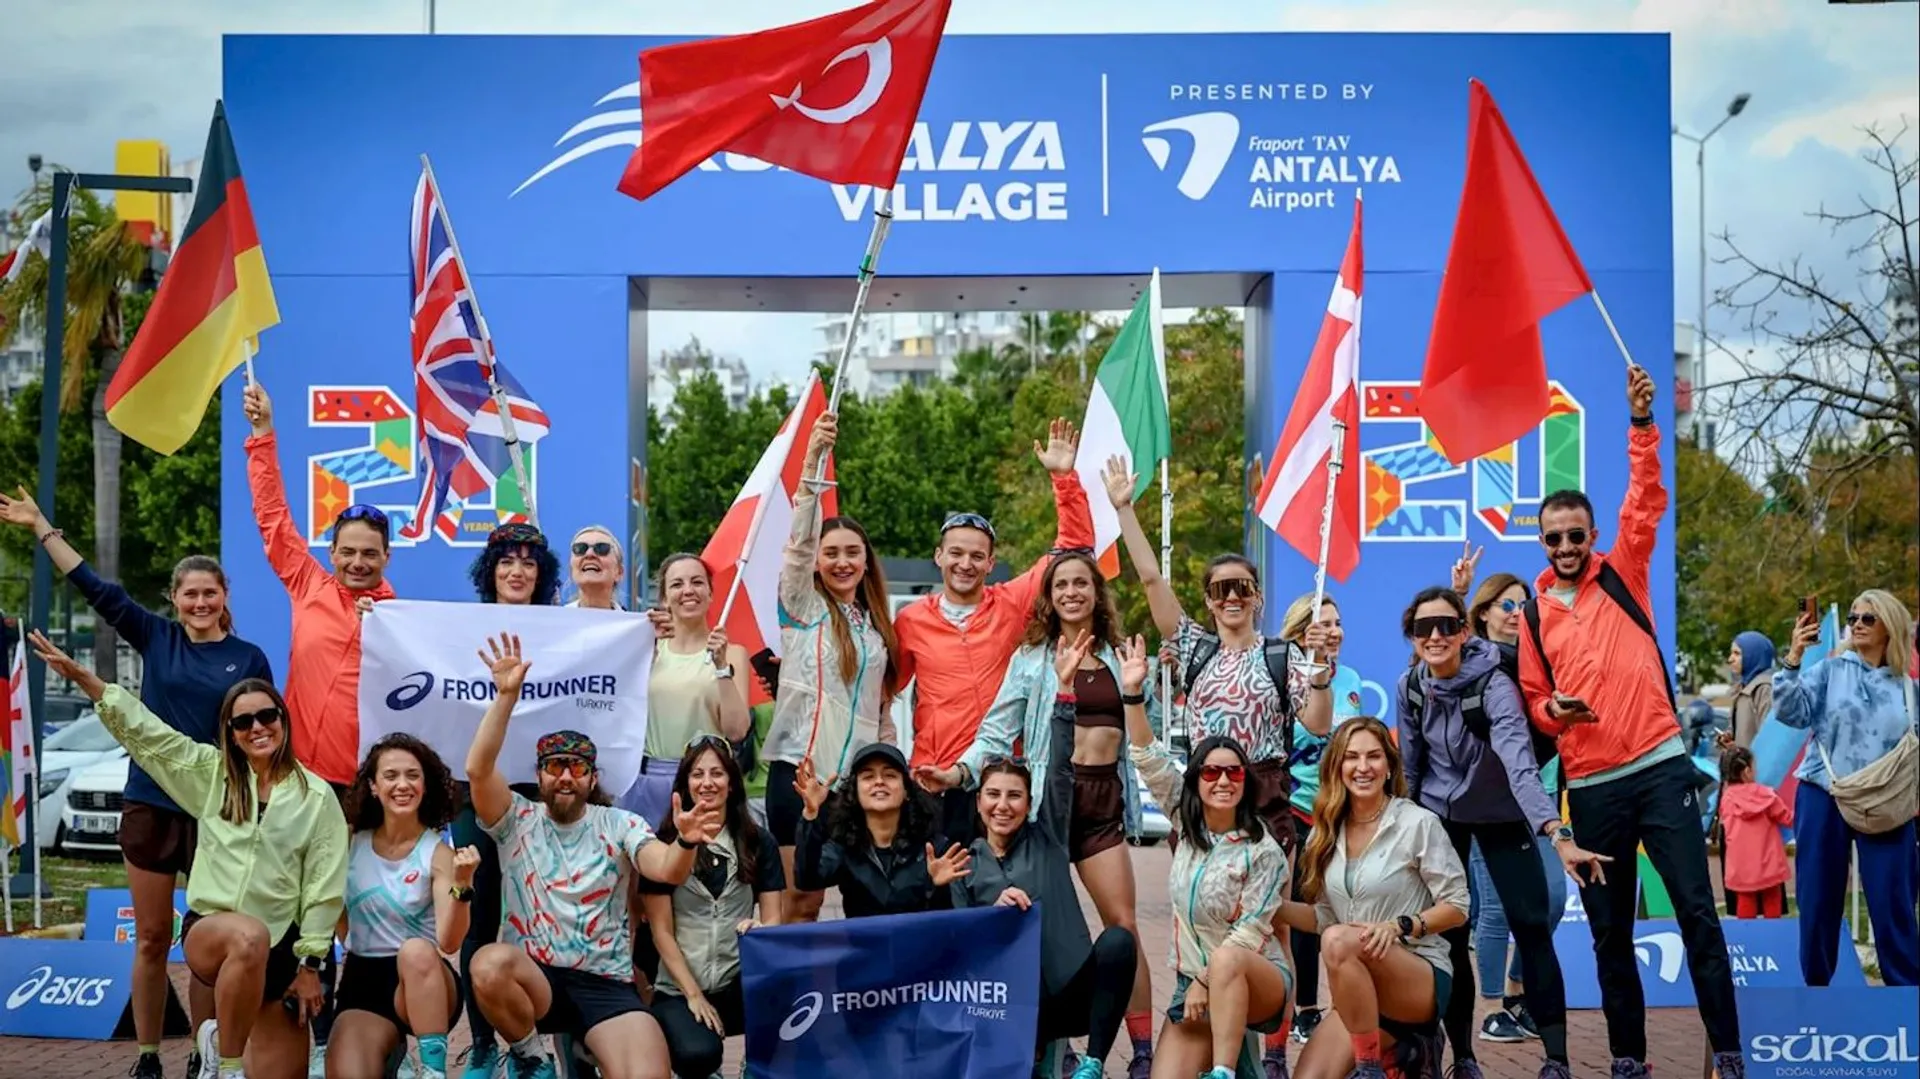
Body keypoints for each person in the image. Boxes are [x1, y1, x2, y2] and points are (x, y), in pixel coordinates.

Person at [1515, 363, 1744, 1079]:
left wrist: (1643, 422)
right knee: (1610, 935)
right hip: (1591, 788)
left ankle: (1730, 1055)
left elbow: (1645, 498)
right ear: (1542, 542)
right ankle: (1627, 1060)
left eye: (1575, 533)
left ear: (1590, 533)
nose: (1565, 547)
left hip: (1658, 767)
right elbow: (1532, 701)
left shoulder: (1625, 571)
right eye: (1553, 538)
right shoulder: (1532, 612)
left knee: (1697, 918)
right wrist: (1554, 710)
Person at [0, 488, 269, 1079]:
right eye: (189, 594)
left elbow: (263, 734)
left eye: (210, 592)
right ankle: (148, 1057)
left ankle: (204, 1056)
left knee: (206, 947)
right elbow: (97, 589)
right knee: (151, 939)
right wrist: (42, 526)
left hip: (217, 815)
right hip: (149, 804)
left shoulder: (248, 656)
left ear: (225, 598)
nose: (200, 601)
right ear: (174, 601)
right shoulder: (157, 637)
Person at [30, 631, 347, 1079]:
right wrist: (86, 679)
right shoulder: (209, 774)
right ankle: (228, 1066)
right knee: (247, 936)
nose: (257, 727)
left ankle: (224, 1040)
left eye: (267, 715)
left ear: (283, 719)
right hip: (212, 933)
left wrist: (310, 964)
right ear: (231, 734)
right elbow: (146, 732)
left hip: (280, 946)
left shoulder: (316, 796)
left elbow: (324, 886)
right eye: (243, 722)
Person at [1103, 456, 1331, 1077]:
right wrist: (1125, 508)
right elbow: (1152, 584)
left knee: (1273, 920)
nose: (1231, 596)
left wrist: (1323, 676)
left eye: (1243, 588)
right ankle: (1198, 996)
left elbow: (1315, 723)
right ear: (1207, 600)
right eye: (1219, 589)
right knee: (1196, 906)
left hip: (1264, 794)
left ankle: (1276, 1052)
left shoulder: (1283, 655)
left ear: (1258, 598)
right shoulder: (1195, 649)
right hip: (1202, 794)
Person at [462, 632, 722, 1079]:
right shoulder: (516, 819)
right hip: (535, 978)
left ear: (592, 777)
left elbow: (664, 868)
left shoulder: (617, 823)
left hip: (606, 983)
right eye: (555, 766)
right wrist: (506, 697)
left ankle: (587, 1050)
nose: (566, 777)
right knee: (487, 963)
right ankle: (530, 1057)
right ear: (539, 775)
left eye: (578, 768)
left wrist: (685, 842)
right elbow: (477, 769)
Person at [930, 551, 1156, 1061]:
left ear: (1097, 592)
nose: (1072, 592)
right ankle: (1045, 1037)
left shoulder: (1122, 658)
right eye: (1061, 586)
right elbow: (996, 727)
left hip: (1101, 808)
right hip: (1045, 812)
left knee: (1123, 926)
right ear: (1049, 598)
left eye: (1081, 583)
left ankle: (1142, 1050)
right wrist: (961, 771)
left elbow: (1146, 738)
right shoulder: (1031, 658)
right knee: (1032, 921)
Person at [1397, 586, 1610, 1079]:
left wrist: (1555, 832)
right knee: (1449, 938)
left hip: (1503, 813)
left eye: (1446, 625)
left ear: (1464, 631)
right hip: (1441, 816)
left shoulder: (1493, 685)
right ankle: (1463, 1060)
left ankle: (1556, 1060)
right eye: (1423, 628)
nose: (1435, 636)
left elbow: (1519, 764)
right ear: (1412, 637)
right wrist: (1401, 835)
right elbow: (1410, 768)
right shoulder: (1410, 686)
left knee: (1532, 926)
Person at [244, 382, 394, 1077]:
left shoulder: (404, 616)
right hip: (301, 781)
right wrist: (264, 434)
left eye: (371, 553)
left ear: (387, 557)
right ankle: (298, 1026)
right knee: (300, 909)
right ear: (332, 550)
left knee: (356, 911)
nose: (359, 562)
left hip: (364, 787)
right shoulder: (306, 583)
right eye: (349, 551)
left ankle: (359, 1028)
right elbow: (272, 514)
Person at [895, 417, 1094, 850]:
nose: (965, 564)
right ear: (938, 557)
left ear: (990, 562)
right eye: (956, 554)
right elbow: (876, 685)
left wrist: (1063, 479)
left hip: (1002, 780)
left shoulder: (1013, 600)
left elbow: (1074, 549)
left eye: (976, 556)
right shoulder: (910, 621)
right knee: (939, 897)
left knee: (1002, 896)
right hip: (936, 777)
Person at [950, 628, 1140, 1079]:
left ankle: (1092, 1060)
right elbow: (956, 943)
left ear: (1028, 802)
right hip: (1004, 1002)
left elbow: (1058, 763)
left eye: (1014, 796)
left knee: (1118, 941)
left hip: (1066, 994)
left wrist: (1065, 691)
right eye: (993, 795)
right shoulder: (962, 861)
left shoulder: (1048, 835)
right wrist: (990, 913)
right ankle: (1029, 1058)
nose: (1003, 805)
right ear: (979, 802)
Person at [1122, 637, 1292, 1079]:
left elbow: (1252, 930)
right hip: (1193, 982)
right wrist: (1133, 694)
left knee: (1228, 961)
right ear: (1196, 779)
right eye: (1211, 772)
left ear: (1245, 779)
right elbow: (1147, 756)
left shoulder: (1263, 848)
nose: (1222, 780)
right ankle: (1241, 1064)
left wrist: (1204, 980)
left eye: (1233, 771)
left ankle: (1222, 1071)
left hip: (1257, 980)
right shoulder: (1185, 820)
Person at [762, 413, 900, 923]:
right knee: (803, 899)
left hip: (857, 781)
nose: (842, 562)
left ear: (867, 562)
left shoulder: (878, 626)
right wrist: (813, 464)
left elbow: (881, 708)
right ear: (817, 561)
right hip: (800, 772)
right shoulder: (802, 607)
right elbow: (797, 544)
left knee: (863, 896)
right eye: (831, 553)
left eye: (852, 553)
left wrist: (891, 762)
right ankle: (789, 1002)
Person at [1279, 717, 1470, 1079]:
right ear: (1337, 767)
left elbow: (1458, 905)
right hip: (1358, 996)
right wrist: (1273, 909)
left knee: (1337, 940)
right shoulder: (1327, 831)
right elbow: (1325, 918)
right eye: (1351, 757)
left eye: (1374, 756)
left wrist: (1401, 926)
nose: (1362, 767)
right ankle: (1403, 1050)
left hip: (1416, 975)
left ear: (1389, 766)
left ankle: (1370, 1070)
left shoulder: (1417, 823)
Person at [453, 524, 562, 1077]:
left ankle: (536, 1042)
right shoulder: (455, 630)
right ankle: (481, 1041)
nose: (517, 571)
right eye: (506, 562)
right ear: (489, 570)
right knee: (480, 918)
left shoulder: (565, 629)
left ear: (542, 574)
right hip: (477, 794)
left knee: (544, 915)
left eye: (528, 562)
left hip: (544, 796)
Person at [1773, 589, 1918, 986]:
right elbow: (1790, 712)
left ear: (1890, 626)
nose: (1856, 624)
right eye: (1854, 617)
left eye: (1867, 618)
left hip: (1886, 801)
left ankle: (1907, 1002)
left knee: (1894, 904)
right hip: (1824, 792)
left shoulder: (1907, 688)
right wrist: (1794, 658)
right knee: (1818, 901)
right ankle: (1817, 993)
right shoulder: (1832, 670)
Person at [1457, 569, 1564, 1046]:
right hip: (1491, 802)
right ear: (1483, 614)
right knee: (1496, 908)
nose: (1517, 613)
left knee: (1554, 900)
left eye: (1524, 604)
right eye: (1506, 605)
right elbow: (1435, 646)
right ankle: (1494, 1007)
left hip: (1538, 800)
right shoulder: (1471, 661)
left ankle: (1519, 989)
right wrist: (1458, 592)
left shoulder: (1539, 662)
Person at [639, 736, 784, 1079]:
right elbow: (661, 931)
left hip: (738, 980)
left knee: (795, 1000)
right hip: (680, 986)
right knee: (698, 1055)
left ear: (732, 783)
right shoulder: (661, 845)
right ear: (684, 785)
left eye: (717, 773)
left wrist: (763, 928)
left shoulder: (758, 841)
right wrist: (692, 995)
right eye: (697, 774)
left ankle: (756, 1064)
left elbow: (775, 917)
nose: (707, 783)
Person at [332, 735, 477, 1079]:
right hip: (364, 979)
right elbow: (338, 921)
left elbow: (449, 942)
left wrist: (464, 885)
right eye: (391, 775)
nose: (402, 785)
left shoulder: (438, 853)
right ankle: (392, 1052)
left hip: (427, 981)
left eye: (413, 775)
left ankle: (432, 1069)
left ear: (425, 786)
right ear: (372, 786)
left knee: (414, 951)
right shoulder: (348, 841)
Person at [1276, 591, 1364, 1055]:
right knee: (1305, 909)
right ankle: (1305, 1010)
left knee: (1342, 908)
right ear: (1301, 631)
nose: (1332, 630)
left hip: (1342, 812)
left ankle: (1350, 1004)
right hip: (1297, 808)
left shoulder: (1349, 678)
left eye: (1337, 621)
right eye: (1322, 623)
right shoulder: (1284, 674)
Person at [621, 554, 749, 827]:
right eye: (677, 584)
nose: (688, 590)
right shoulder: (647, 649)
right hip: (646, 782)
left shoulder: (734, 654)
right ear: (665, 597)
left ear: (711, 594)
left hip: (705, 785)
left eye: (697, 582)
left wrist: (721, 667)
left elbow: (737, 731)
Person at [791, 742, 970, 917]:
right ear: (855, 792)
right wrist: (810, 814)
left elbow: (952, 923)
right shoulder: (844, 846)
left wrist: (935, 886)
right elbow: (807, 879)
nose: (879, 782)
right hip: (865, 946)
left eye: (890, 775)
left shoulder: (934, 848)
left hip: (919, 945)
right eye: (868, 776)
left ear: (907, 790)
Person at [1715, 746, 1791, 919]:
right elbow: (1788, 818)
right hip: (1770, 862)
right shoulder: (1767, 796)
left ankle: (1749, 939)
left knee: (1745, 901)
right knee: (1773, 900)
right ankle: (1773, 939)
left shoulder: (1726, 800)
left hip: (1741, 865)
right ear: (1747, 771)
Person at [1727, 631, 1776, 749]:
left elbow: (1769, 738)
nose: (1730, 659)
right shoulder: (1742, 687)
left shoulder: (1764, 688)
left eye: (1737, 653)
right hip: (1744, 765)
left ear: (1753, 656)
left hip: (1758, 765)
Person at [565, 526, 626, 610]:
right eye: (580, 549)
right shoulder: (554, 621)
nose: (589, 554)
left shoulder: (642, 622)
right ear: (571, 569)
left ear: (619, 572)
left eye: (602, 548)